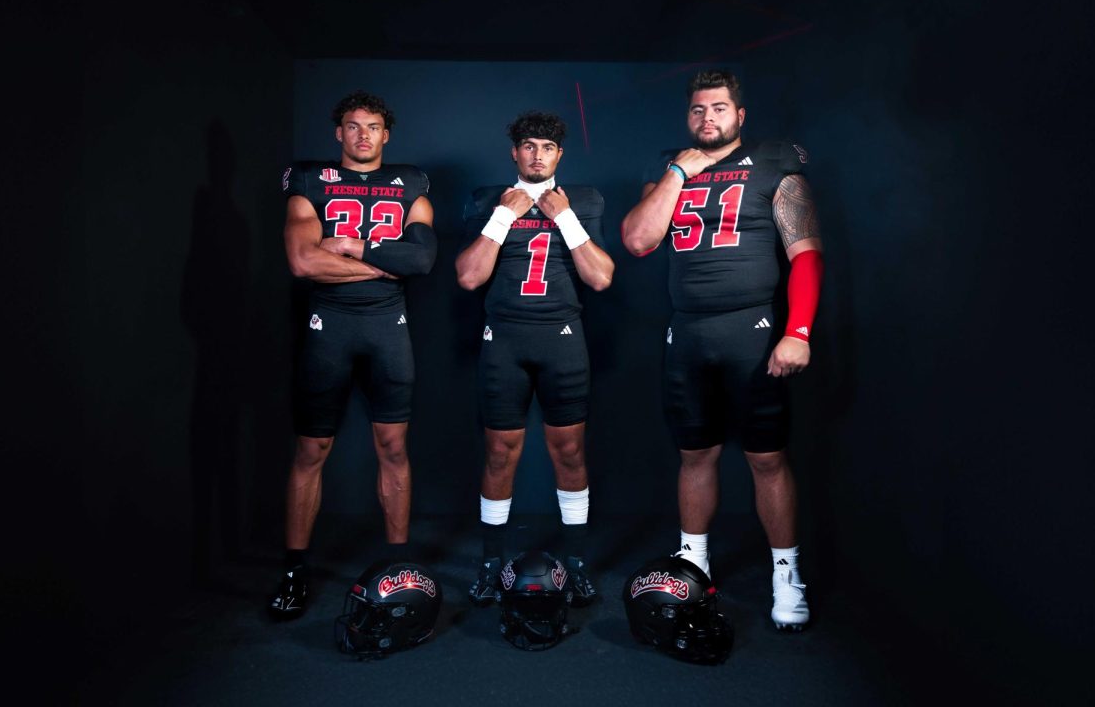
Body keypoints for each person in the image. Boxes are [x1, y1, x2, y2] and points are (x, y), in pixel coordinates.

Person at [620, 70, 824, 630]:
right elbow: (638, 240)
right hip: (687, 332)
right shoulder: (670, 165)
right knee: (695, 453)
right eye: (696, 110)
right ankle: (694, 562)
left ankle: (786, 573)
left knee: (766, 458)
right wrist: (680, 171)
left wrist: (798, 330)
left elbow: (805, 252)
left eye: (717, 109)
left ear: (739, 115)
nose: (706, 119)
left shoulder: (775, 164)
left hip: (754, 331)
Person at [269, 90, 436, 619]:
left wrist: (354, 248)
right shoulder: (310, 182)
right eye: (352, 125)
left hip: (389, 330)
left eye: (373, 126)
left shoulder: (410, 183)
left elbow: (424, 257)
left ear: (387, 135)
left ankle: (397, 565)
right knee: (310, 452)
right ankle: (294, 569)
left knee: (393, 446)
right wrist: (385, 267)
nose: (363, 134)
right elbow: (301, 260)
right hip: (329, 328)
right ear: (337, 133)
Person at [456, 111, 614, 607]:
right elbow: (468, 277)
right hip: (503, 340)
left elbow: (602, 278)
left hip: (563, 340)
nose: (537, 154)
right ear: (514, 152)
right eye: (528, 145)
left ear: (559, 154)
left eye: (547, 147)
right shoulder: (488, 199)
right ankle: (489, 562)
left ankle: (577, 564)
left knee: (568, 453)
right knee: (500, 454)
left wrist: (562, 216)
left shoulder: (583, 200)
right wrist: (505, 214)